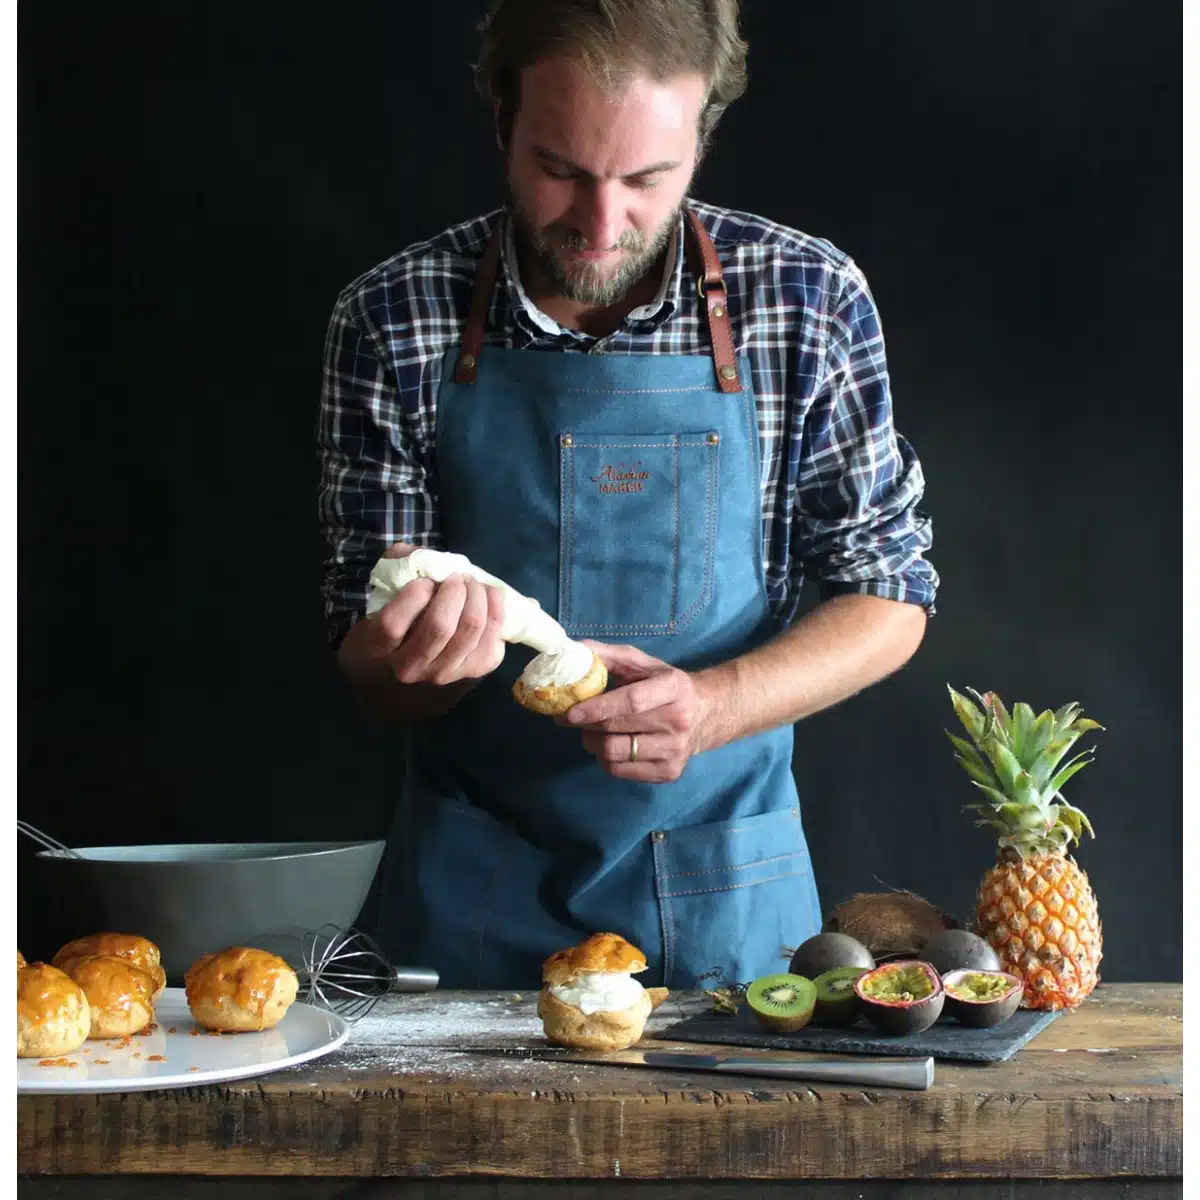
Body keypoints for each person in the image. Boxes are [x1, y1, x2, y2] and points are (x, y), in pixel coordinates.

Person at [316, 0, 939, 990]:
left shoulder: (805, 298)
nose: (602, 225)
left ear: (702, 135)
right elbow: (370, 673)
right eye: (560, 169)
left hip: (729, 897)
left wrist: (716, 705)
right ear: (499, 118)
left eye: (648, 179)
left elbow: (891, 595)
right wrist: (418, 656)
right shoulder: (394, 318)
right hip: (470, 900)